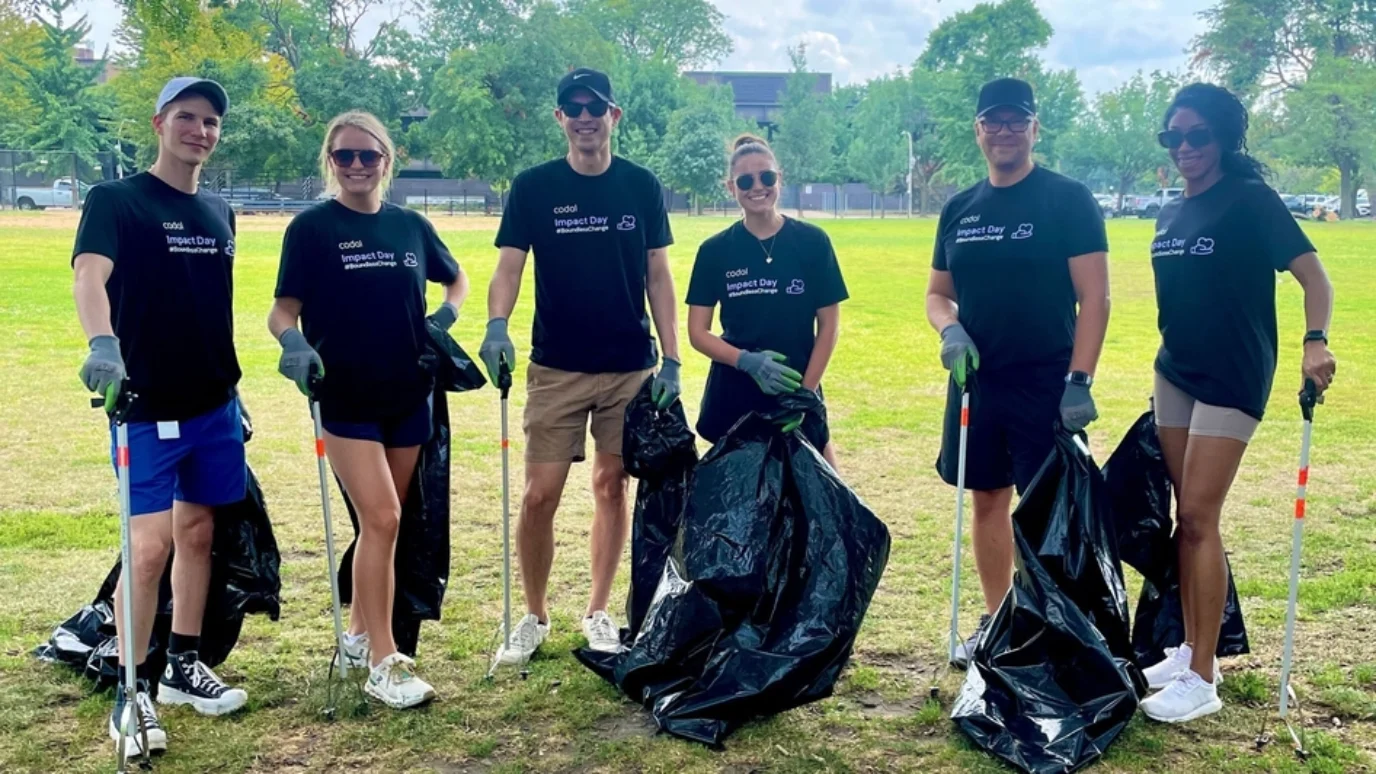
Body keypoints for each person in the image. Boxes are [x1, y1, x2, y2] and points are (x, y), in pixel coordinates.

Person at [1138, 83, 1336, 723]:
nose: (1185, 148)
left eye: (1198, 135)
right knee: (1183, 517)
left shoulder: (1251, 201)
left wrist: (1315, 342)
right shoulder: (1169, 214)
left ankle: (1202, 678)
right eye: (1174, 137)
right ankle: (1194, 650)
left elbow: (1314, 276)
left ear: (1223, 138)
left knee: (1199, 515)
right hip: (1175, 373)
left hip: (1233, 377)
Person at [480, 67, 681, 664]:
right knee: (540, 495)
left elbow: (658, 274)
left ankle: (598, 611)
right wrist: (497, 325)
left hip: (628, 366)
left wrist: (671, 357)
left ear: (614, 116)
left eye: (597, 107)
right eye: (574, 107)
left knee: (611, 486)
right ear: (560, 118)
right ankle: (534, 615)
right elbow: (510, 266)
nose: (586, 116)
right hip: (556, 366)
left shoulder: (642, 186)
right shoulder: (535, 187)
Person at [268, 111, 469, 709]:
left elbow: (455, 280)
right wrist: (293, 342)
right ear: (330, 162)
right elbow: (282, 311)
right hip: (346, 400)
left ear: (388, 159)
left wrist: (447, 316)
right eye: (344, 157)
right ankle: (385, 659)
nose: (357, 167)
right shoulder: (311, 229)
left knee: (384, 522)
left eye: (368, 156)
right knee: (381, 519)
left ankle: (356, 636)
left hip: (410, 397)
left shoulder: (410, 226)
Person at [73, 76, 249, 756]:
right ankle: (132, 691)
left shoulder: (219, 210)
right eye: (187, 117)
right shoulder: (116, 201)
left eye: (209, 121)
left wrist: (232, 391)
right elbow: (90, 274)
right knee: (147, 551)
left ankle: (180, 665)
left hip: (214, 405)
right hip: (146, 405)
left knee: (199, 534)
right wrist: (103, 344)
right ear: (159, 122)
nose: (199, 130)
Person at [926, 77, 1111, 669]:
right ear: (978, 130)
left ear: (1035, 128)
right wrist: (949, 329)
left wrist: (1079, 381)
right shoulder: (960, 207)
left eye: (1015, 121)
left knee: (1047, 508)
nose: (1003, 132)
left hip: (1046, 382)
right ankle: (999, 617)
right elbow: (937, 294)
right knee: (986, 500)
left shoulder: (1067, 199)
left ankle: (1053, 624)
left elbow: (1096, 298)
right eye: (992, 121)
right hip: (978, 383)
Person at [686, 134, 847, 466]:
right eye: (745, 180)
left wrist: (804, 395)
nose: (757, 186)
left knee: (817, 506)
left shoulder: (813, 242)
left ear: (779, 178)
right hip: (735, 398)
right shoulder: (714, 251)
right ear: (731, 187)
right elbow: (697, 333)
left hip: (798, 390)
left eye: (766, 176)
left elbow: (829, 325)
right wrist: (747, 361)